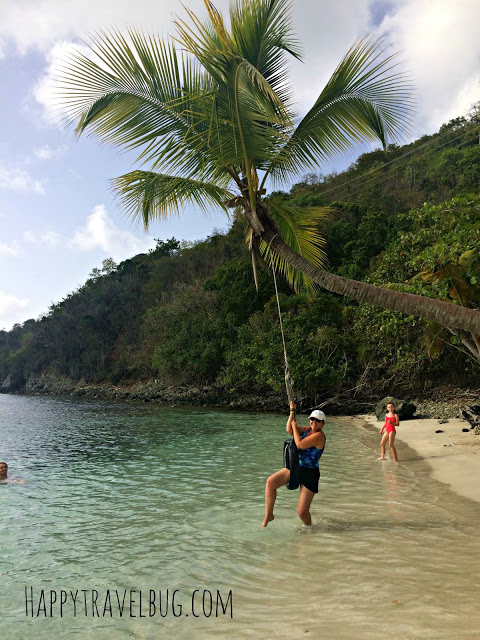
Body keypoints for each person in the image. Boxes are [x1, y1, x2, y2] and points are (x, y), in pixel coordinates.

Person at [261, 401, 326, 527]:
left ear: (322, 423)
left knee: (302, 512)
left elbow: (300, 444)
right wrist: (292, 412)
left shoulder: (319, 436)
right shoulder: (308, 430)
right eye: (312, 419)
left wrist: (295, 427)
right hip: (296, 467)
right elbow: (289, 429)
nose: (314, 422)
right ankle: (269, 514)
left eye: (317, 420)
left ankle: (309, 528)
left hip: (310, 473)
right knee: (270, 482)